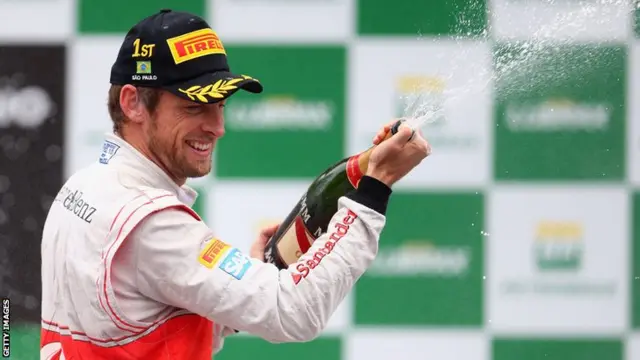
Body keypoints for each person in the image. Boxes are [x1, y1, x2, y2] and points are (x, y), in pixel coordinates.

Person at [39, 8, 431, 360]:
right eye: (194, 107)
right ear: (133, 103)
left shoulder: (82, 187)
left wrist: (252, 279)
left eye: (220, 105)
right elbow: (293, 313)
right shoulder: (148, 222)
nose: (217, 127)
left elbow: (143, 321)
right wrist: (375, 188)